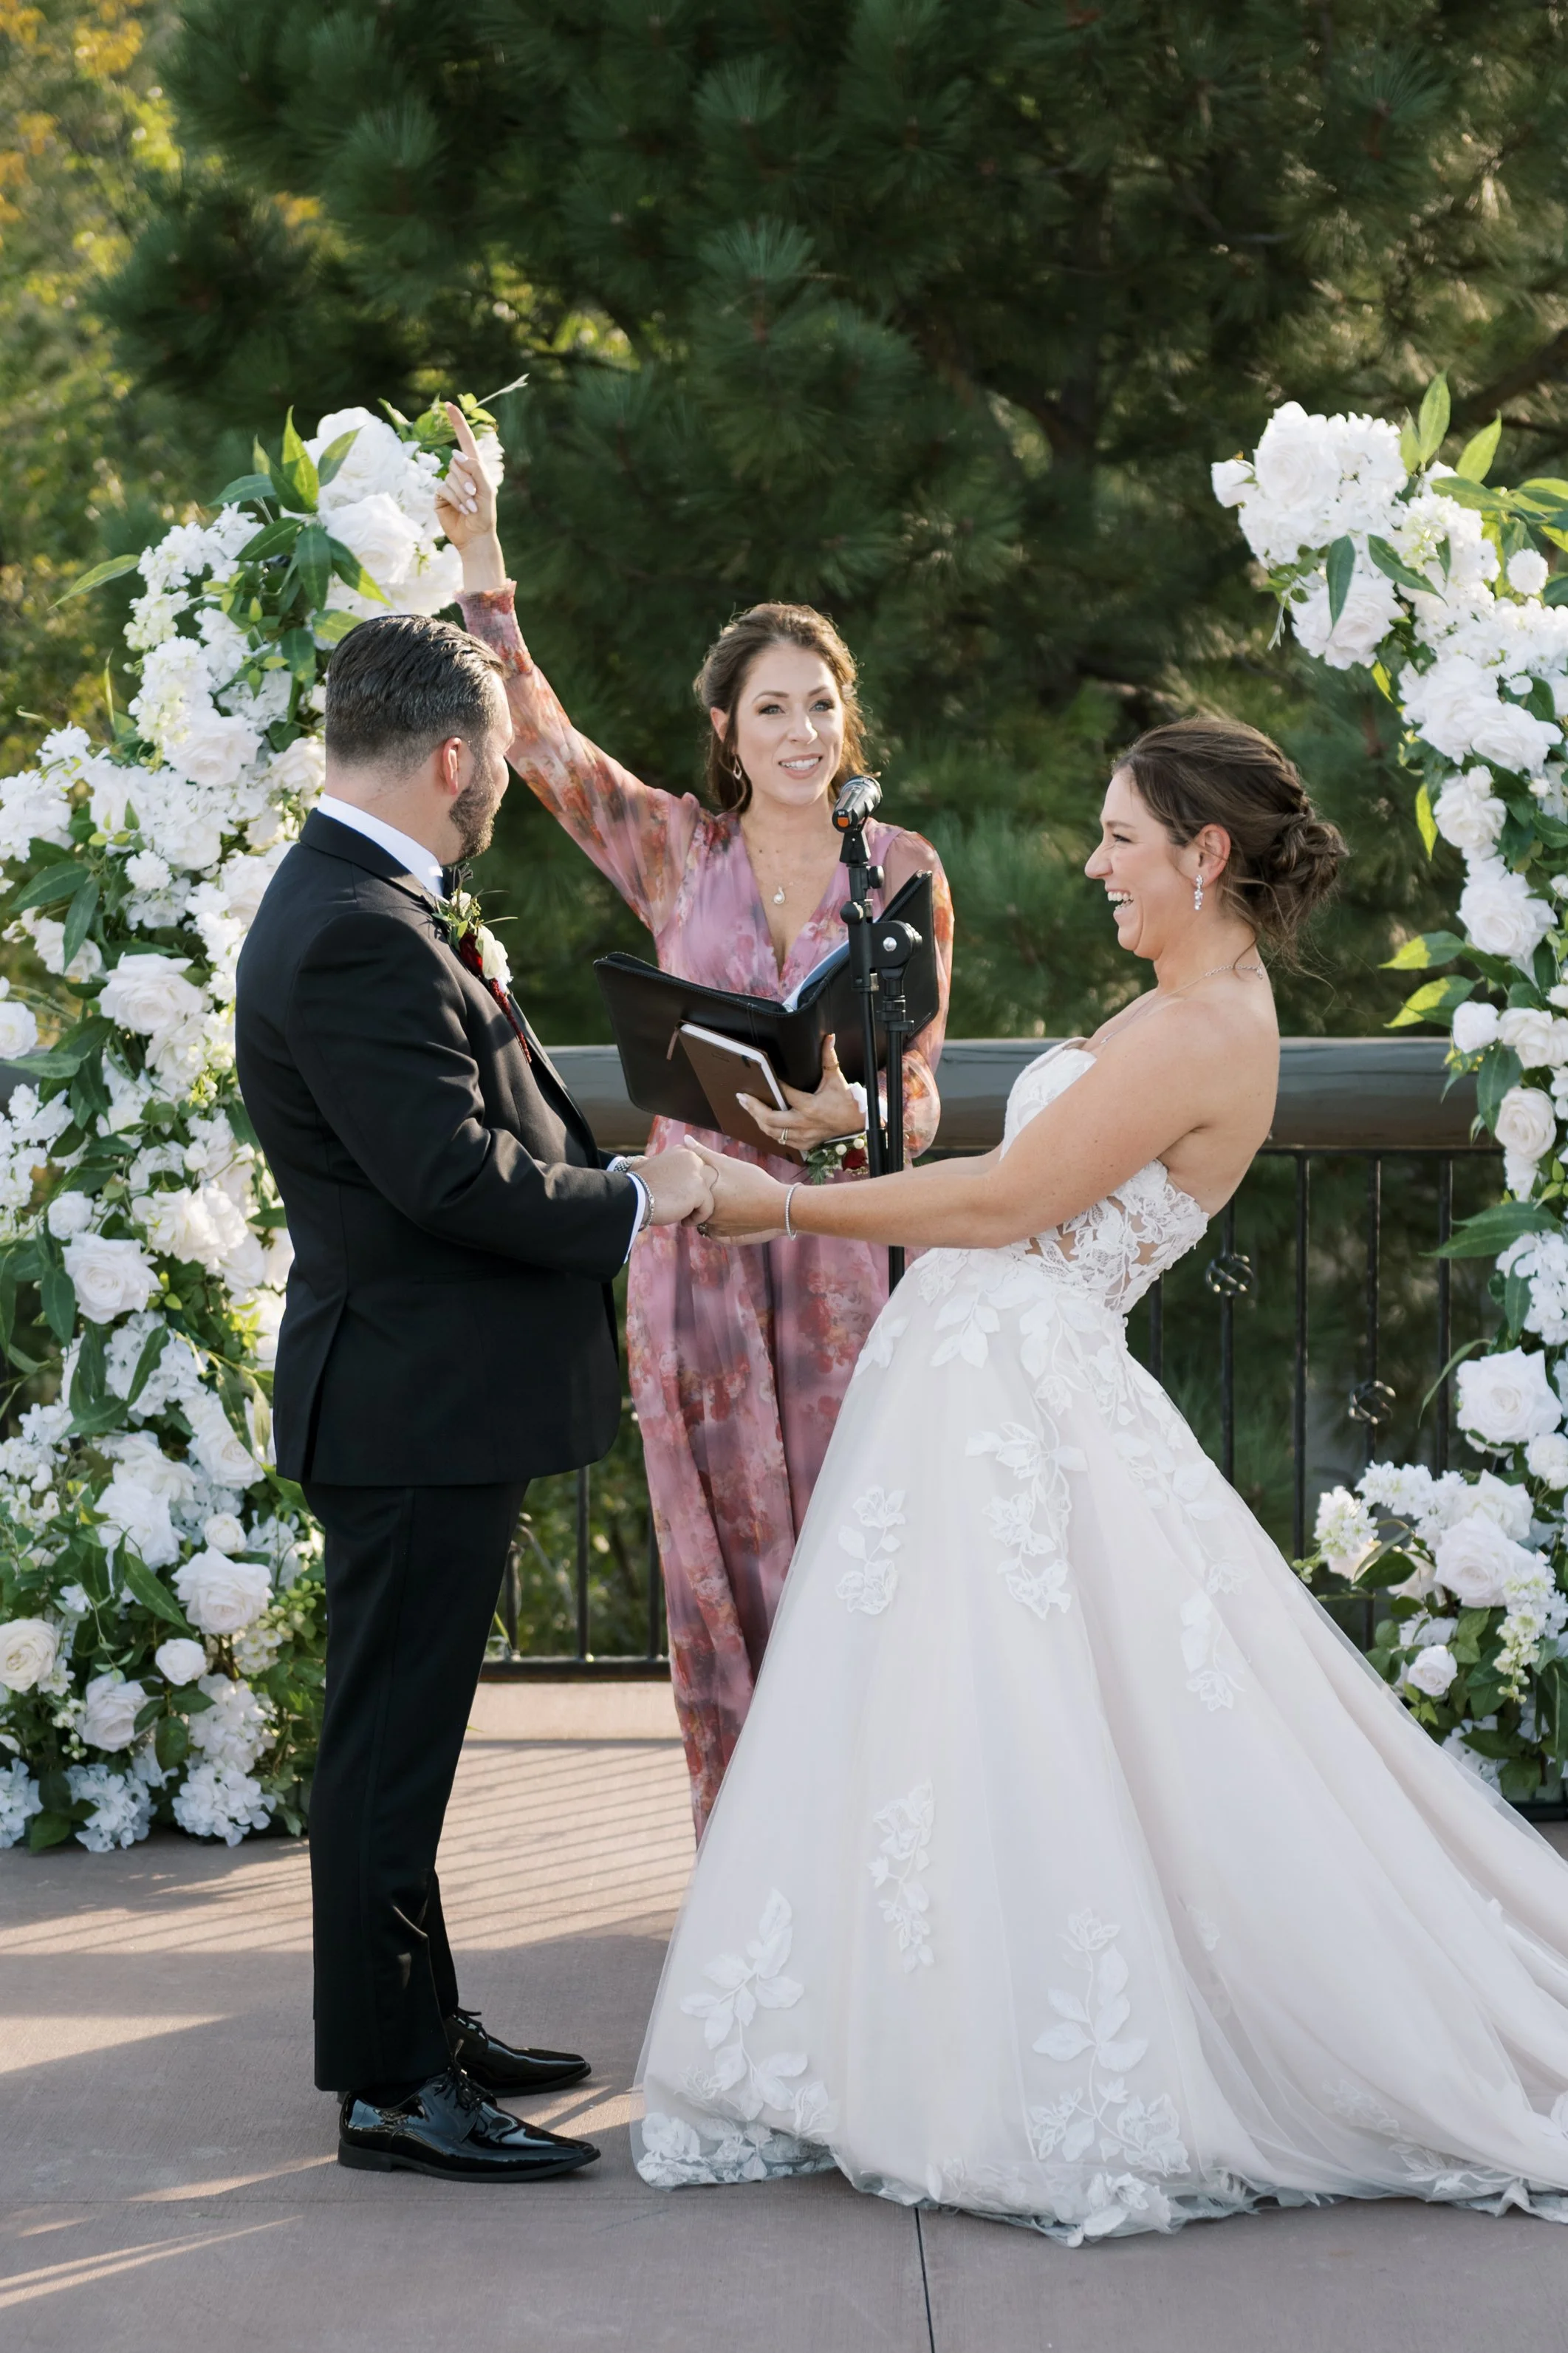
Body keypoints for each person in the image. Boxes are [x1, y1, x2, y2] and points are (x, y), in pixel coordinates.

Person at [631, 716, 1568, 2243]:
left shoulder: (1207, 1034)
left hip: (1019, 1391)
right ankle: (877, 2054)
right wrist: (831, 1126)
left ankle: (998, 2077)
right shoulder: (1179, 1000)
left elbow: (1011, 1199)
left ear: (1202, 856)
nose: (1092, 863)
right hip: (981, 1384)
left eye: (1120, 838)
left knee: (1022, 1736)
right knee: (939, 1728)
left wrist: (768, 1201)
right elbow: (1014, 1164)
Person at [234, 612, 714, 2182]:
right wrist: (643, 1196)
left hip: (417, 1396)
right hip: (407, 1400)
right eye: (499, 757)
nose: (498, 782)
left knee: (409, 1740)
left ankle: (421, 2020)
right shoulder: (360, 922)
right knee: (388, 1749)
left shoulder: (358, 896)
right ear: (453, 755)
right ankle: (390, 2084)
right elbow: (447, 1173)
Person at [436, 406, 954, 1834]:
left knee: (861, 1548)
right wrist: (484, 554)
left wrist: (865, 1108)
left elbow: (922, 1075)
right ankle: (750, 1862)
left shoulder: (899, 868)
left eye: (824, 704)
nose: (804, 730)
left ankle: (875, 1848)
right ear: (725, 729)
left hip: (846, 1248)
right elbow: (534, 741)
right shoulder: (675, 847)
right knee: (716, 1558)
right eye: (774, 707)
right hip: (699, 1256)